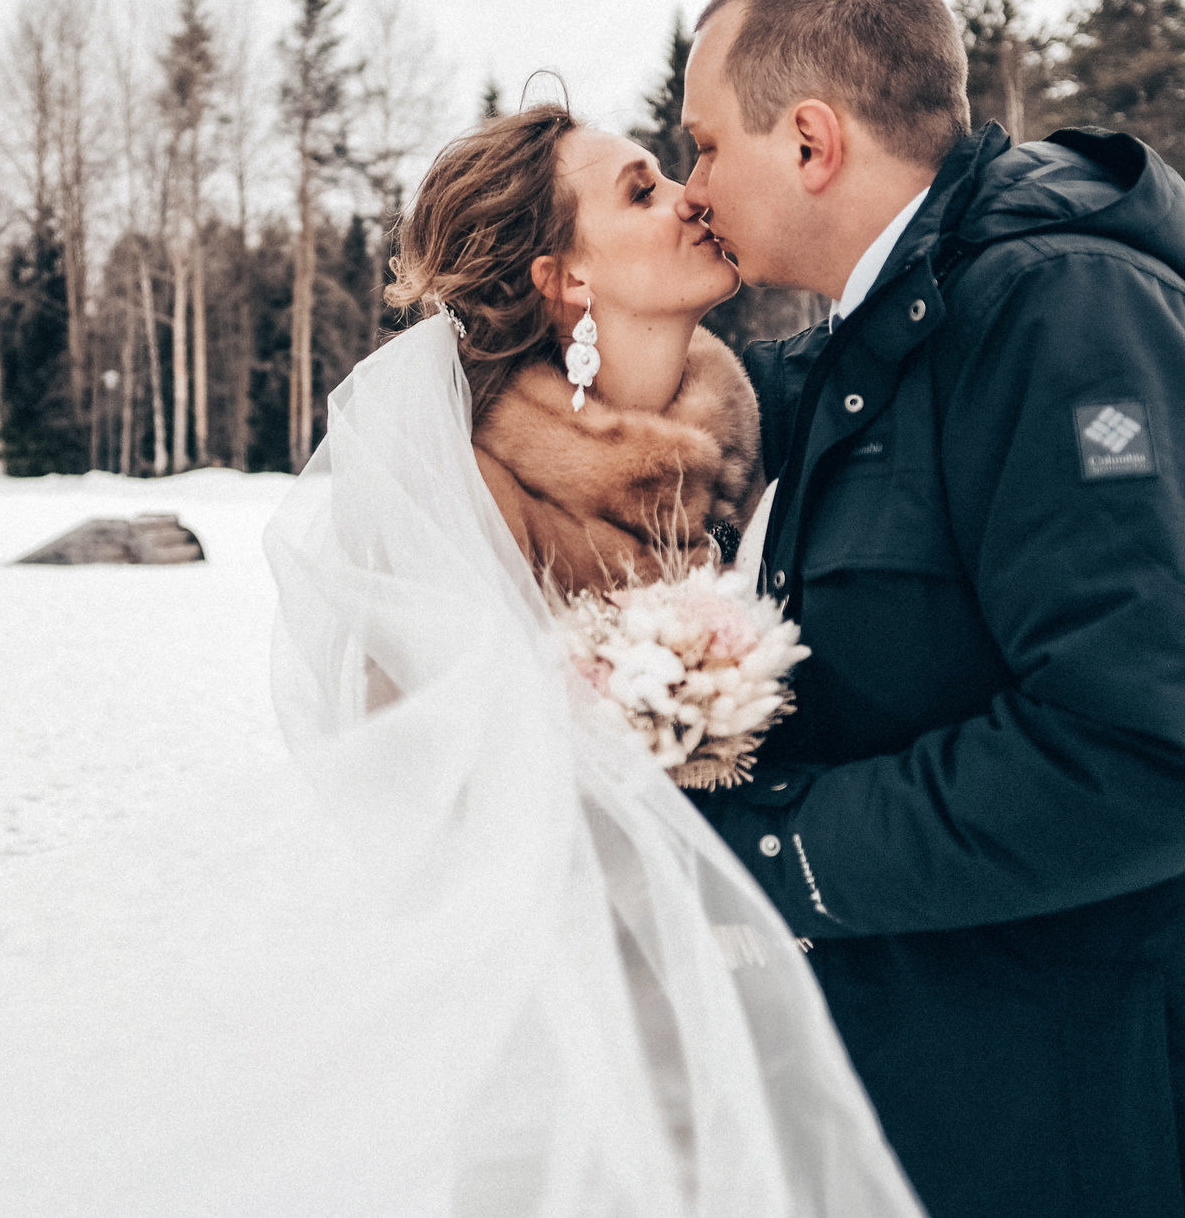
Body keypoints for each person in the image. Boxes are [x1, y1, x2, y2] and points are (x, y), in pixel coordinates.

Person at [674, 0, 1185, 1218]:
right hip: (1033, 1100)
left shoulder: (1071, 318)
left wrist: (776, 849)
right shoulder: (905, 335)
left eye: (698, 147)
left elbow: (1156, 746)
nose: (691, 188)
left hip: (1170, 1131)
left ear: (809, 142)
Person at [263, 102, 924, 1215]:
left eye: (672, 173)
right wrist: (648, 718)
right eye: (640, 190)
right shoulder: (461, 494)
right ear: (563, 278)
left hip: (801, 993)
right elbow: (435, 803)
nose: (689, 197)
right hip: (571, 1021)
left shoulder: (775, 439)